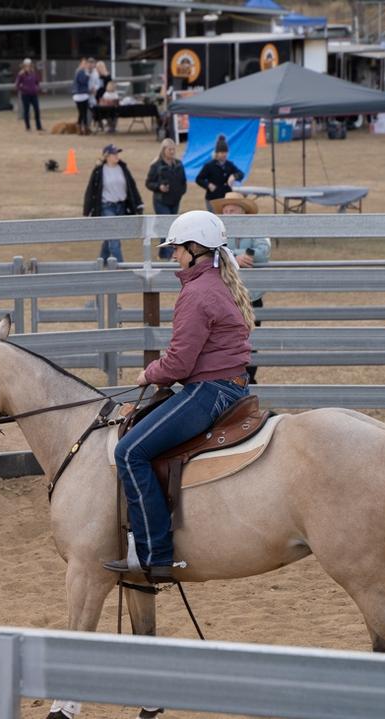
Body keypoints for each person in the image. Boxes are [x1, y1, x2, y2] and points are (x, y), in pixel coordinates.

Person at [103, 210, 254, 582]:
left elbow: (179, 364)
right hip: (229, 385)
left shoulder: (197, 293)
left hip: (209, 390)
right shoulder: (216, 283)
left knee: (130, 452)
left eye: (176, 249)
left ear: (193, 248)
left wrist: (148, 374)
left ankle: (156, 554)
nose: (173, 255)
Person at [212, 192, 271, 384]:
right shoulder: (216, 233)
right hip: (226, 296)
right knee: (227, 338)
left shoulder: (256, 229)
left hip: (251, 295)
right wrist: (235, 257)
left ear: (243, 212)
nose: (229, 214)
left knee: (252, 340)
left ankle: (249, 379)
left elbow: (263, 252)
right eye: (226, 211)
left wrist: (233, 256)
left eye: (233, 210)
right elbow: (214, 251)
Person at [83, 144, 144, 264]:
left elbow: (132, 187)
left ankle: (101, 261)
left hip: (121, 206)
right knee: (114, 238)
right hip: (107, 207)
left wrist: (138, 204)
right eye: (114, 154)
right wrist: (87, 210)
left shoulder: (123, 168)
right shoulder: (99, 171)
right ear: (107, 156)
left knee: (110, 237)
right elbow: (91, 190)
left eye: (117, 153)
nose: (117, 156)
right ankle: (121, 265)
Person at [146, 139, 187, 259]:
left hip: (175, 200)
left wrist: (181, 191)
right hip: (161, 200)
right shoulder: (156, 165)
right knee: (167, 225)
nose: (172, 151)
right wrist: (159, 187)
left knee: (171, 226)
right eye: (170, 149)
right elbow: (149, 183)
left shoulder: (179, 164)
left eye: (173, 149)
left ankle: (163, 252)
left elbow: (183, 180)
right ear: (164, 150)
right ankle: (168, 254)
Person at [195, 134, 244, 203]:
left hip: (227, 197)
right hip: (212, 199)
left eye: (226, 152)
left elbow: (241, 174)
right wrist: (208, 185)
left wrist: (234, 176)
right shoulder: (209, 165)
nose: (224, 154)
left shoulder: (229, 164)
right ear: (217, 153)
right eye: (222, 152)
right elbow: (198, 179)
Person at [15, 58, 43, 132]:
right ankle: (28, 127)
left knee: (37, 110)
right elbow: (17, 85)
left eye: (29, 65)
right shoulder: (21, 74)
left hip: (34, 94)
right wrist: (23, 89)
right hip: (25, 95)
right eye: (26, 65)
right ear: (24, 66)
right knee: (26, 111)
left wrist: (36, 88)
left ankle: (39, 126)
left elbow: (37, 82)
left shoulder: (33, 73)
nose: (28, 67)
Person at [71, 58, 94, 134]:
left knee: (83, 112)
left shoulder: (82, 71)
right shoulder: (80, 71)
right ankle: (82, 127)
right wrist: (88, 75)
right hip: (80, 95)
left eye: (86, 63)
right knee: (82, 112)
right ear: (80, 64)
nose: (85, 65)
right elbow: (83, 81)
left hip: (83, 94)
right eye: (84, 63)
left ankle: (82, 127)